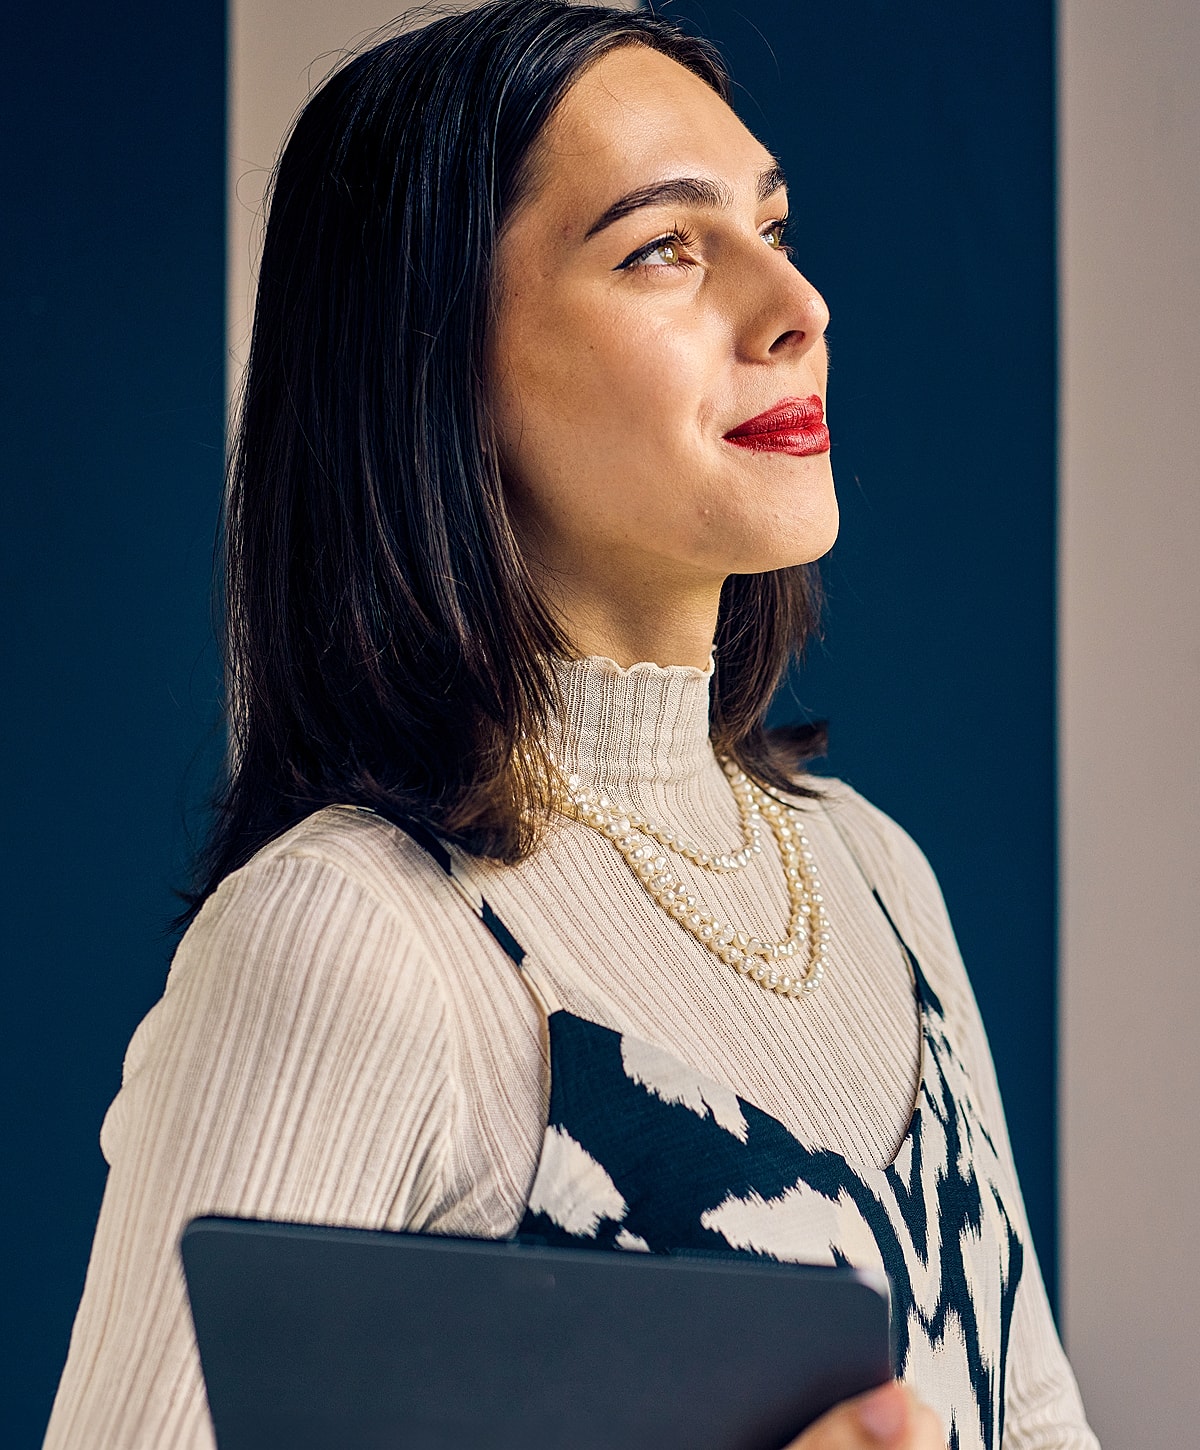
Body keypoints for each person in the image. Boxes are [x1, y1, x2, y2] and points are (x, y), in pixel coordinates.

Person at [45, 4, 1099, 1447]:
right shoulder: (351, 935)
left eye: (775, 225)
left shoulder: (873, 873)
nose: (798, 306)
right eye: (664, 248)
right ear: (434, 368)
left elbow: (1037, 1418)